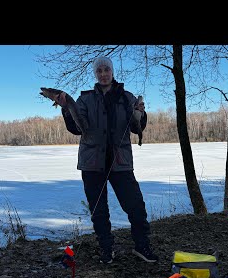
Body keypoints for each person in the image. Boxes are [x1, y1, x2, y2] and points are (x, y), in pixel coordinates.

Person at [51, 56, 158, 264]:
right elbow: (75, 128)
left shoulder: (127, 98)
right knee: (99, 211)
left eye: (106, 70)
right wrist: (65, 108)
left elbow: (137, 128)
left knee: (135, 206)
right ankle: (107, 249)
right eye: (99, 71)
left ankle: (142, 246)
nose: (103, 74)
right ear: (95, 74)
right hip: (92, 163)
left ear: (112, 72)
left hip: (121, 162)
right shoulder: (85, 99)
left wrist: (141, 114)